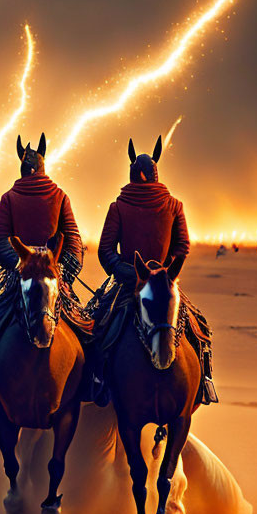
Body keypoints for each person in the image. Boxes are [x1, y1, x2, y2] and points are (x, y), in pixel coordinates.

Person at [88, 136, 217, 405]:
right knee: (199, 328)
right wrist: (162, 273)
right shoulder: (169, 205)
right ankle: (205, 382)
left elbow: (106, 251)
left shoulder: (124, 206)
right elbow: (182, 248)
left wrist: (130, 272)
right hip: (155, 281)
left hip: (135, 281)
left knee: (97, 326)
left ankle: (96, 381)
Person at [0, 133, 92, 377]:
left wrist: (20, 263)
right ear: (43, 167)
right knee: (86, 328)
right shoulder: (59, 196)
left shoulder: (10, 197)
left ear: (21, 169)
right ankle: (93, 378)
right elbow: (73, 239)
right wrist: (65, 270)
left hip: (21, 275)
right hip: (51, 272)